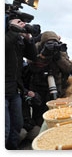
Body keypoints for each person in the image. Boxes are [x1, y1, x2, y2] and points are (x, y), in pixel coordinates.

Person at [27, 31, 72, 126]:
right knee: (40, 114)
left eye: (54, 42)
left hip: (57, 85)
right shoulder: (36, 48)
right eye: (49, 43)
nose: (52, 45)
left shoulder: (60, 49)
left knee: (57, 111)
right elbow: (31, 66)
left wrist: (58, 58)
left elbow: (68, 68)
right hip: (39, 86)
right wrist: (43, 56)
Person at [5, 18, 37, 149]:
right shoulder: (7, 37)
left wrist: (27, 38)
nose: (22, 24)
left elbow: (33, 56)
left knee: (17, 125)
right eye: (18, 22)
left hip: (15, 90)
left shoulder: (17, 39)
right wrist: (13, 30)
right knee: (4, 129)